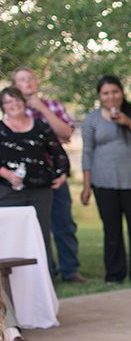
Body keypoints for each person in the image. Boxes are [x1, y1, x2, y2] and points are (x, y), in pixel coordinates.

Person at [0, 86, 70, 341]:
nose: (12, 105)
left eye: (15, 100)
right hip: (8, 193)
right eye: (6, 102)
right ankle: (13, 327)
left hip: (39, 190)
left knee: (39, 243)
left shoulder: (40, 127)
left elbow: (58, 153)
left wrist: (61, 173)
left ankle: (33, 308)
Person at [80, 76, 131, 284]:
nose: (111, 97)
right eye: (106, 93)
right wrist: (86, 186)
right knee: (111, 230)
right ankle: (114, 275)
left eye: (115, 92)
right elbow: (87, 152)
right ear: (99, 96)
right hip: (104, 182)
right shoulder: (92, 120)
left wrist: (128, 122)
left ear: (122, 92)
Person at [12, 68, 84, 283]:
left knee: (64, 224)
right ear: (15, 86)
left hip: (54, 175)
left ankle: (70, 271)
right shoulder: (12, 110)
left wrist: (41, 108)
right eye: (22, 80)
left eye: (31, 78)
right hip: (27, 180)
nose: (28, 83)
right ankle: (45, 272)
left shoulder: (51, 105)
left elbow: (65, 133)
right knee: (35, 227)